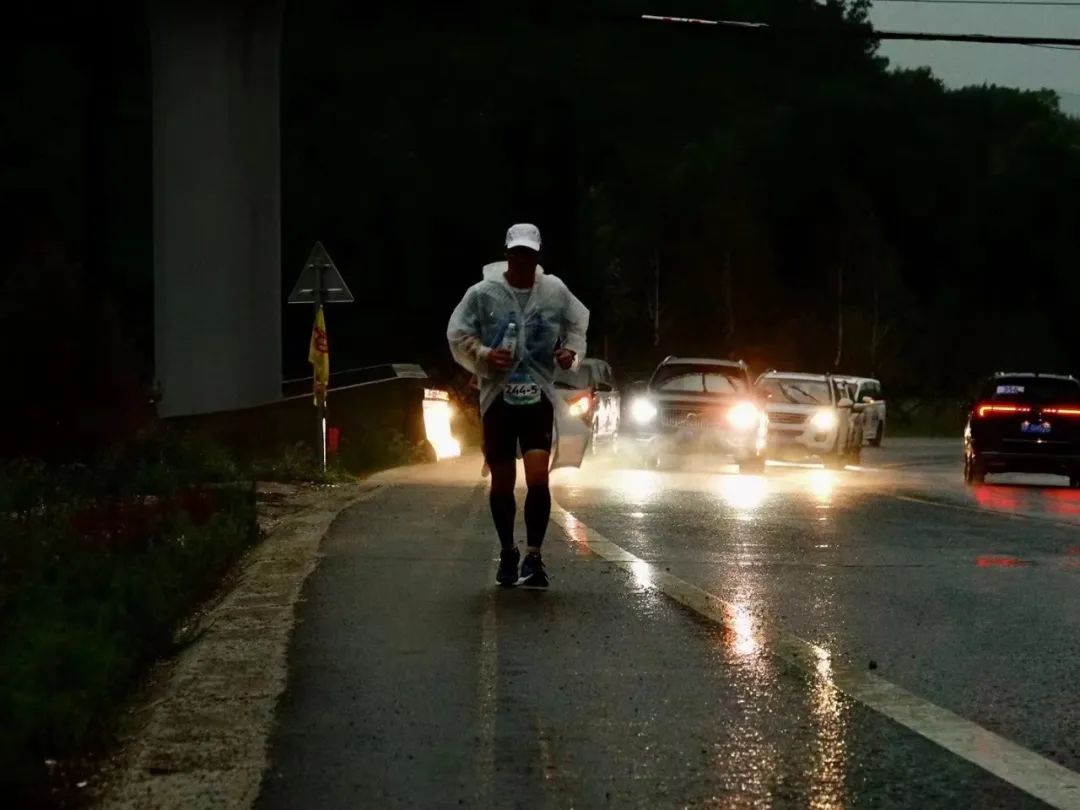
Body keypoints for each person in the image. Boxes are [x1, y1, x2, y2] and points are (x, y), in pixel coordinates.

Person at [448, 223, 590, 587]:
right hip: (498, 396)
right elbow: (458, 334)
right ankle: (508, 551)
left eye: (529, 254)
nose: (522, 261)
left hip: (537, 394)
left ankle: (535, 557)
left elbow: (578, 325)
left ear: (537, 256)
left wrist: (570, 354)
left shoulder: (554, 290)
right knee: (502, 480)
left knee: (538, 475)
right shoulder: (483, 293)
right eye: (516, 254)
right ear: (507, 255)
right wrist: (484, 354)